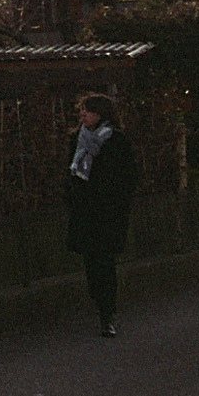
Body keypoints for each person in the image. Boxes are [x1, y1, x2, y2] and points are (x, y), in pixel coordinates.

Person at [65, 92, 139, 337]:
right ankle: (100, 303)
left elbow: (128, 176)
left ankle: (108, 313)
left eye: (88, 110)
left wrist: (117, 203)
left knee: (105, 262)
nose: (83, 114)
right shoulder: (77, 139)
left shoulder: (116, 140)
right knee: (91, 263)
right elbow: (71, 174)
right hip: (86, 214)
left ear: (100, 113)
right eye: (82, 110)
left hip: (108, 213)